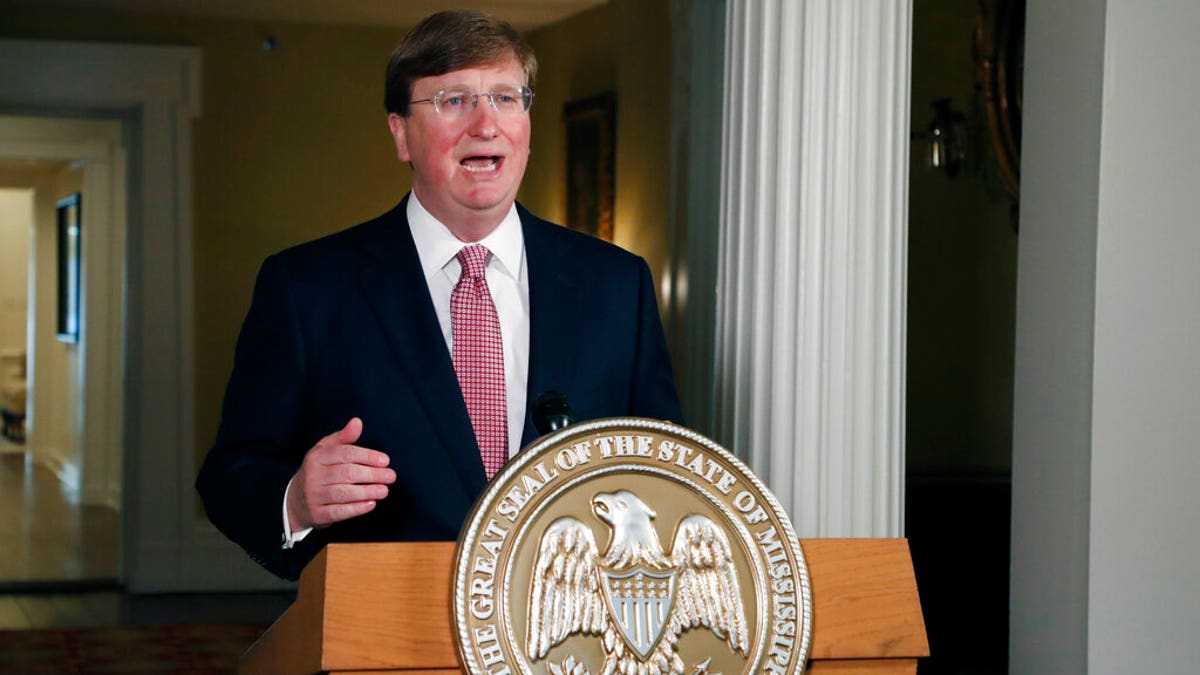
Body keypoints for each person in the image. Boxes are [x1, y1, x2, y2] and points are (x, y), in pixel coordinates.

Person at [195, 9, 682, 580]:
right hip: (382, 635)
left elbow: (664, 475)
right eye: (453, 100)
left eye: (505, 97)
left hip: (563, 637)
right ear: (401, 133)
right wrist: (295, 500)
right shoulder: (307, 287)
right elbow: (230, 476)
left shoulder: (617, 285)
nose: (485, 124)